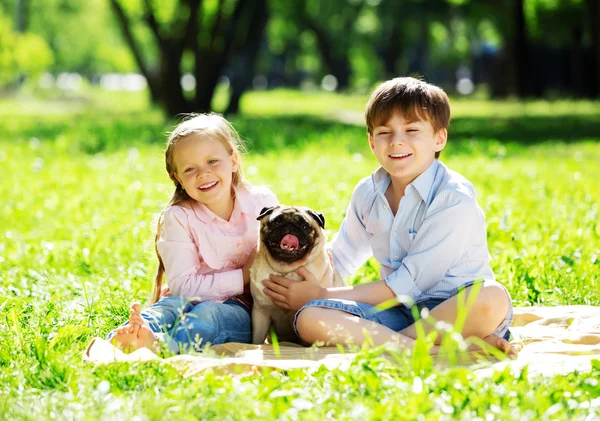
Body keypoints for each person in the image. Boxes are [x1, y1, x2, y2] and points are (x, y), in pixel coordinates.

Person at [262, 77, 517, 354]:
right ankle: (434, 350)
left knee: (491, 296)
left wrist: (323, 294)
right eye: (385, 133)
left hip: (456, 311)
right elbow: (340, 260)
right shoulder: (368, 193)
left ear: (438, 138)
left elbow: (407, 284)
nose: (397, 142)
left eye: (411, 130)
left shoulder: (453, 198)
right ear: (372, 142)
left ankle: (400, 345)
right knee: (309, 318)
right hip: (397, 314)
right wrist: (297, 277)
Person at [108, 113, 278, 354]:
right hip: (185, 298)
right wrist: (242, 274)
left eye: (212, 161)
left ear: (233, 159)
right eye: (190, 168)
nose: (203, 174)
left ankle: (165, 345)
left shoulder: (262, 203)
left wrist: (247, 280)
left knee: (207, 316)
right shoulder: (179, 216)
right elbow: (184, 289)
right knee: (165, 310)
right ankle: (129, 336)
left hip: (242, 309)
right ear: (178, 177)